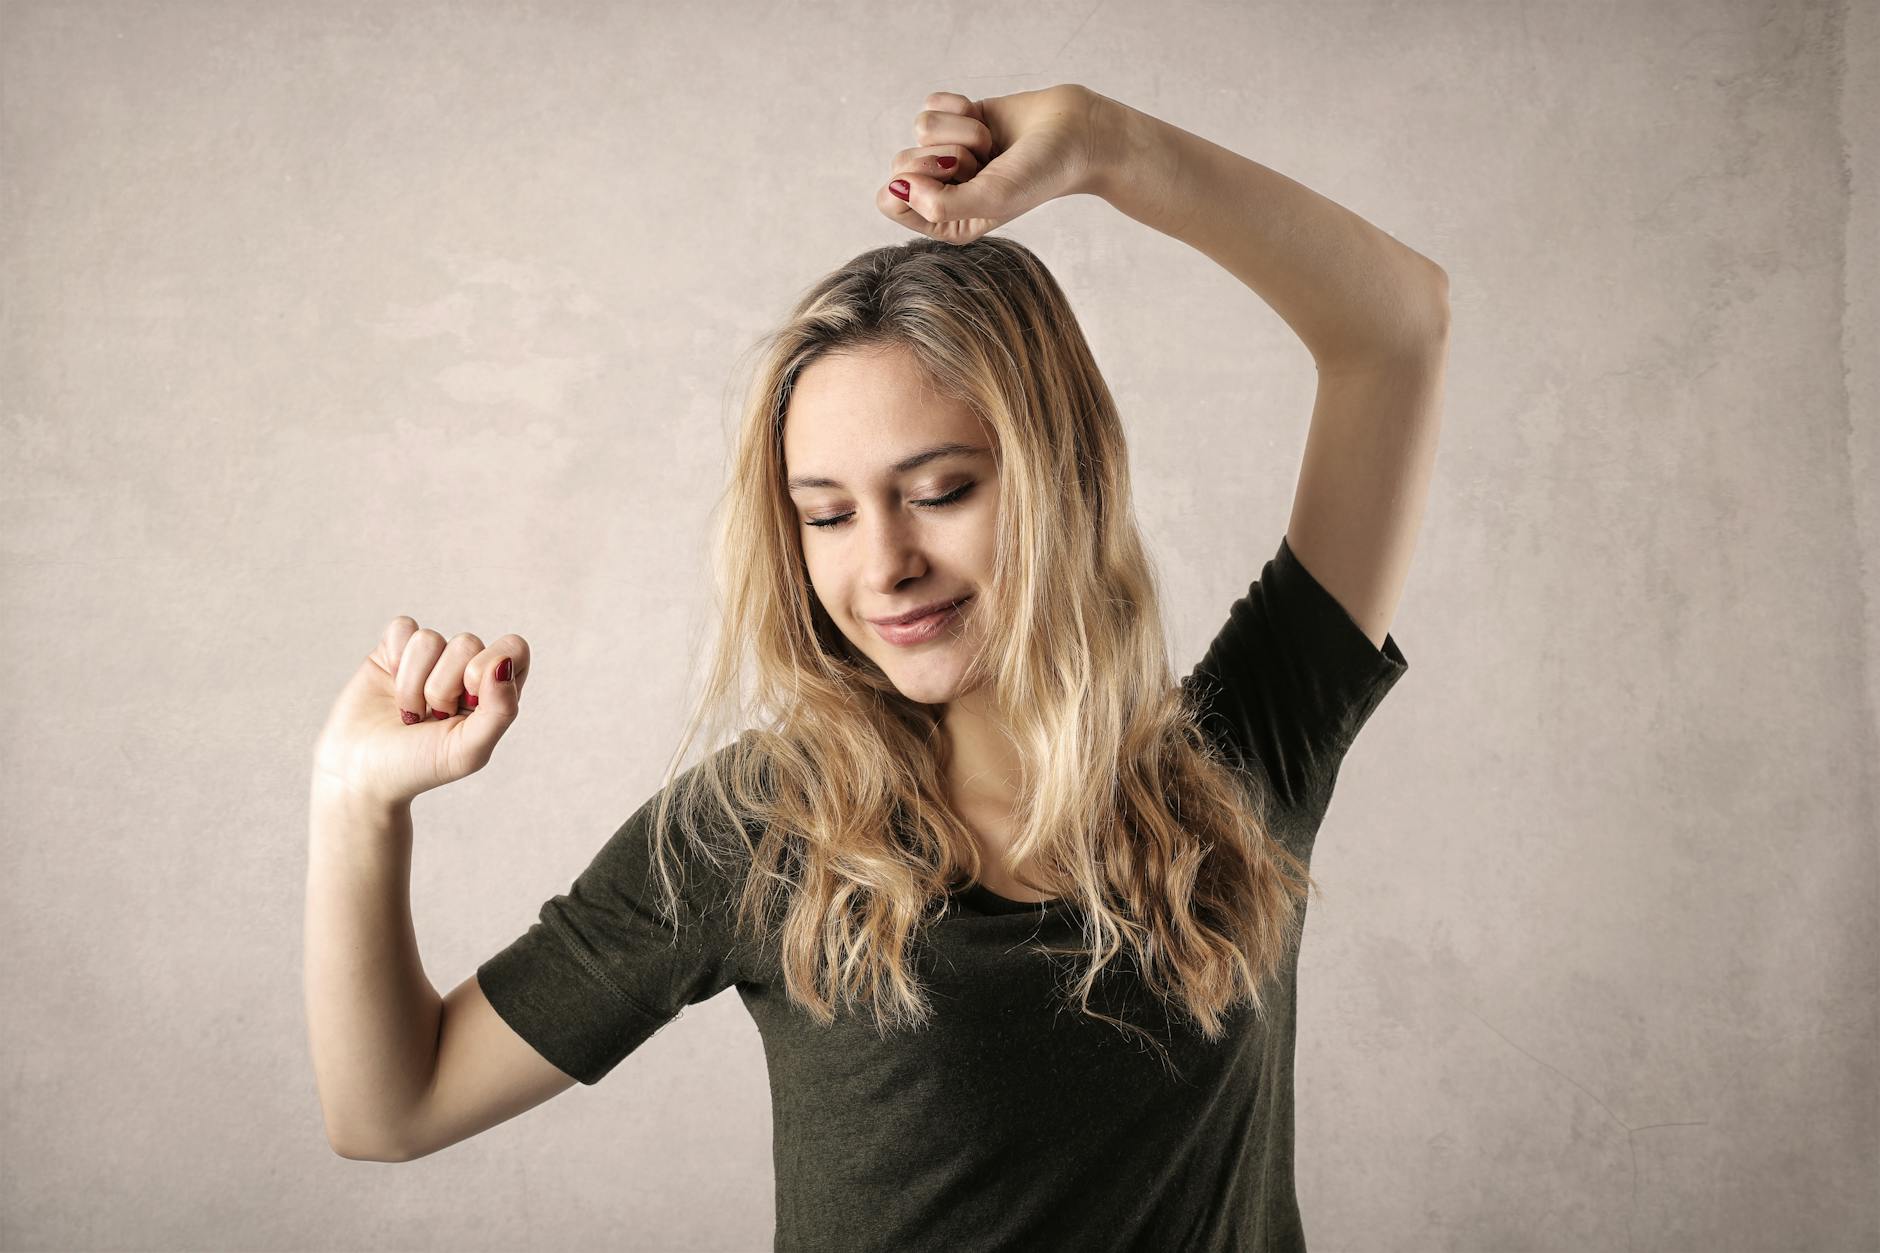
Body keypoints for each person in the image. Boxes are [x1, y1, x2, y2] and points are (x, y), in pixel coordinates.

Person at [305, 83, 1448, 1252]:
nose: (886, 564)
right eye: (826, 515)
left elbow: (1395, 328)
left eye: (940, 491)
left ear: (1064, 474)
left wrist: (1106, 145)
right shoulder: (764, 825)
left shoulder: (1239, 754)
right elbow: (392, 1103)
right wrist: (357, 798)